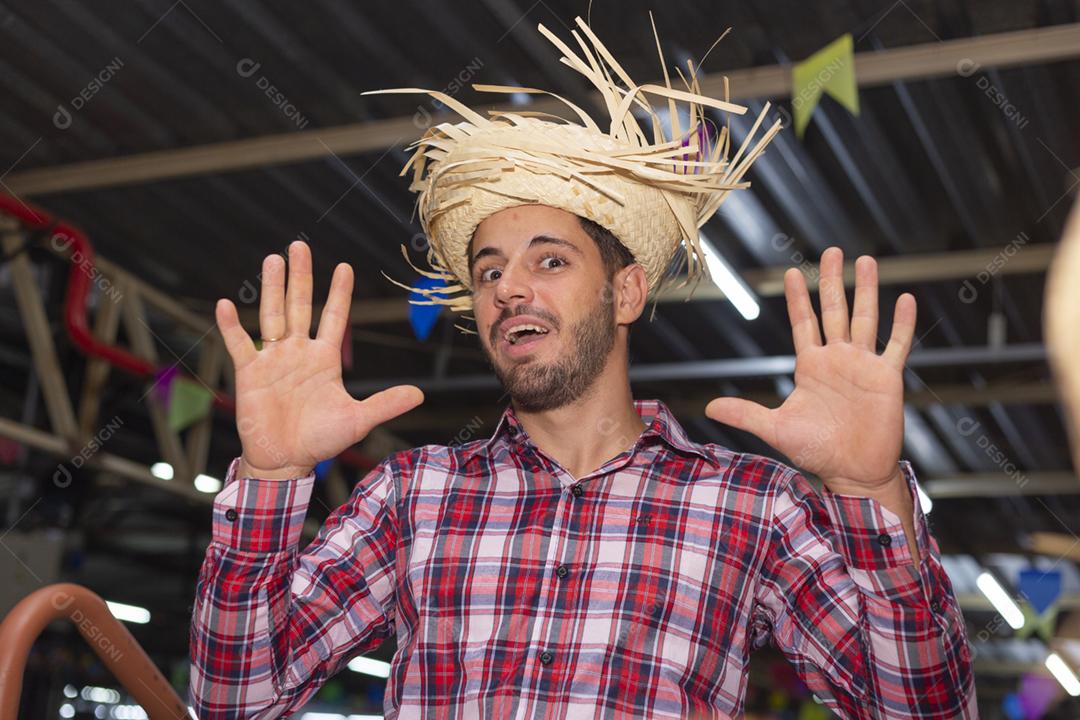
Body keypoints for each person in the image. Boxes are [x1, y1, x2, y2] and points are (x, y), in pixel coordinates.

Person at [188, 16, 976, 719]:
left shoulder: (749, 505)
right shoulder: (413, 494)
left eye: (550, 260)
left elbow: (920, 708)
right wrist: (272, 474)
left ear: (626, 291)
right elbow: (235, 699)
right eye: (489, 271)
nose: (509, 289)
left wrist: (871, 498)